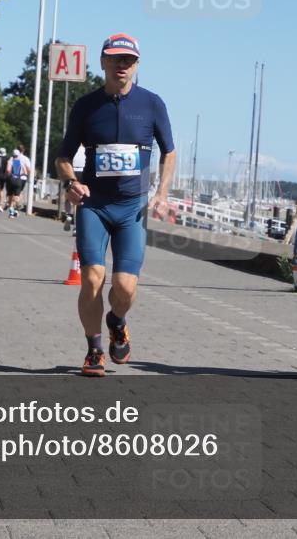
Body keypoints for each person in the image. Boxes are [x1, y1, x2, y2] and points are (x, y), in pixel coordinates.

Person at [56, 33, 175, 377]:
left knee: (124, 288)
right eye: (116, 59)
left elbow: (169, 151)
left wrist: (162, 193)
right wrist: (71, 182)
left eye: (129, 60)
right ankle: (94, 350)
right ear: (103, 62)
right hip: (94, 205)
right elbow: (63, 157)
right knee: (92, 278)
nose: (122, 65)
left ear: (137, 65)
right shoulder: (86, 106)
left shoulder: (152, 104)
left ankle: (117, 321)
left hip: (131, 208)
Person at [6, 145, 30, 218]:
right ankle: (17, 205)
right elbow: (28, 170)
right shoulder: (22, 160)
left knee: (10, 195)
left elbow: (8, 170)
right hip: (20, 179)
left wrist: (8, 174)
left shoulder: (11, 160)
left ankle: (11, 212)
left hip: (11, 179)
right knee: (17, 194)